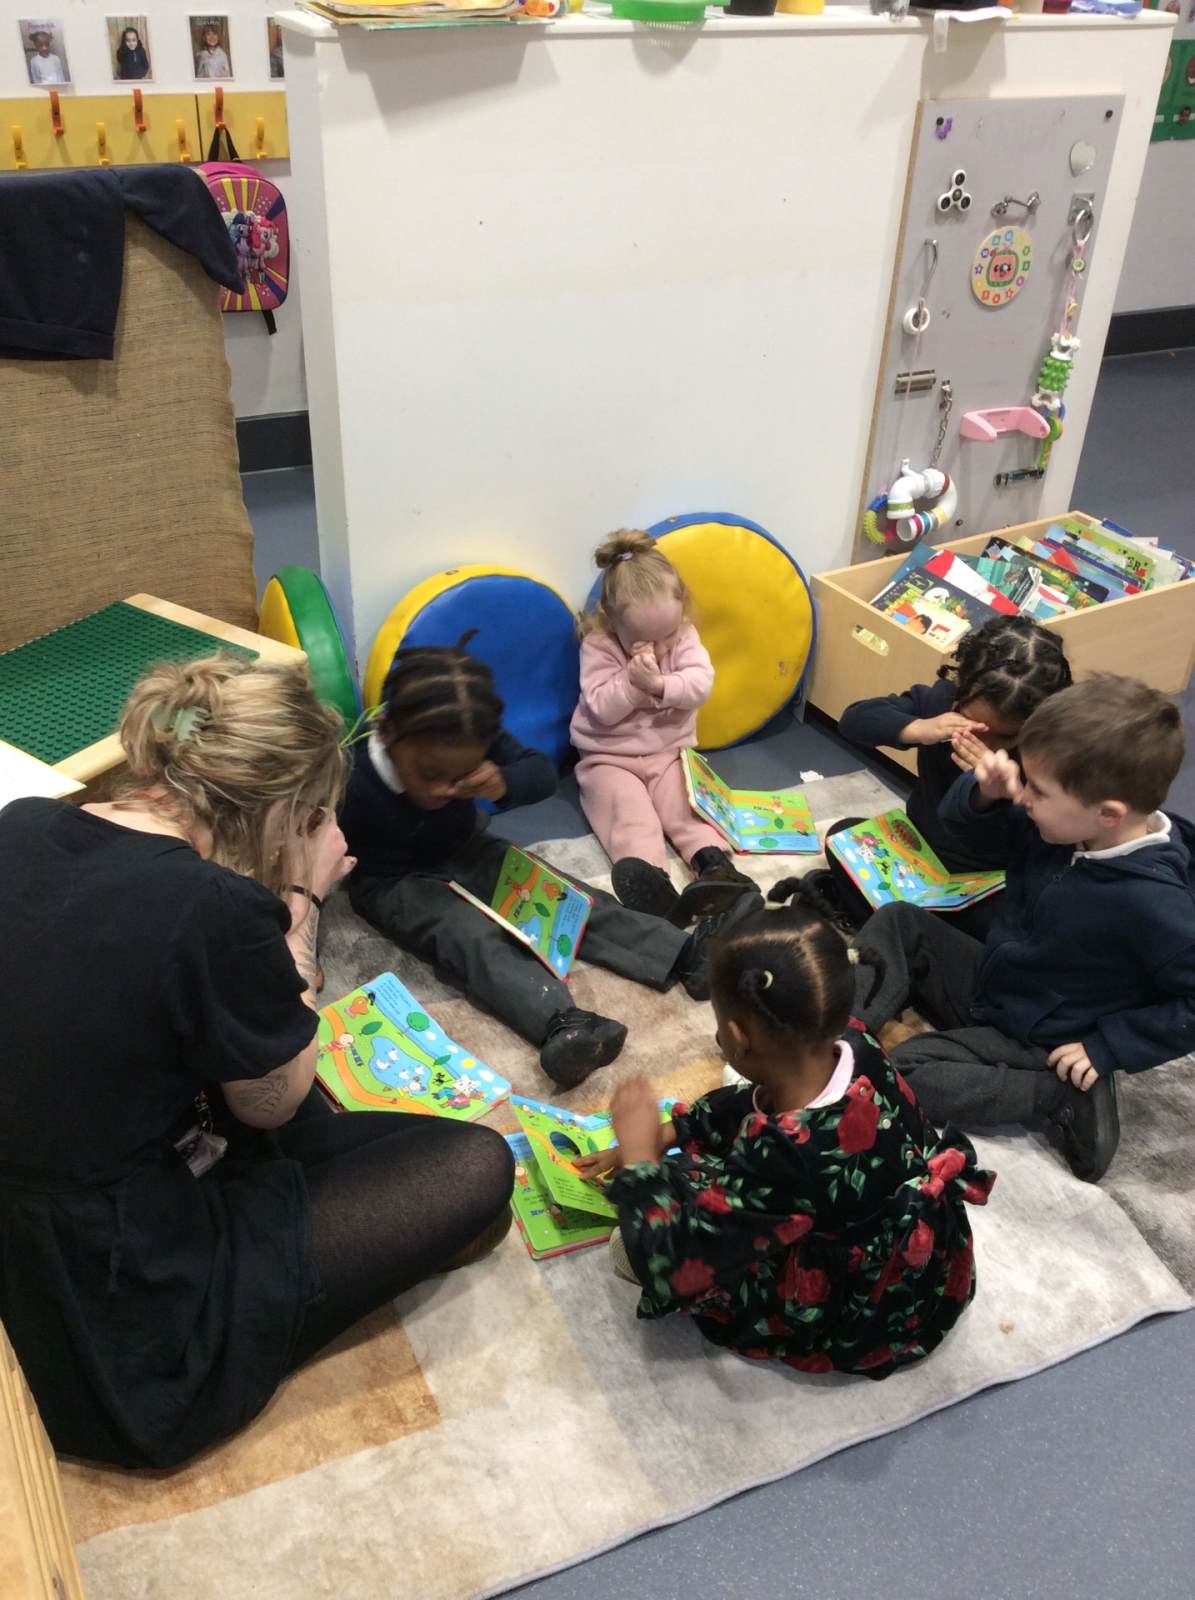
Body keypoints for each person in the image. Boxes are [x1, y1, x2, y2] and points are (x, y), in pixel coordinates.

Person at [0, 657, 514, 1470]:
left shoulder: (26, 820)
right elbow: (269, 1102)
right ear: (284, 811)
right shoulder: (217, 908)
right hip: (112, 1302)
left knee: (362, 1136)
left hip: (33, 1215)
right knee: (475, 1166)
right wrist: (301, 903)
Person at [577, 903, 992, 1376]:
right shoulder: (858, 1044)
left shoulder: (781, 1149)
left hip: (863, 1307)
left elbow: (675, 1266)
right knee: (705, 1157)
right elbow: (748, 1101)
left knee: (631, 1242)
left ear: (737, 1038)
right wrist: (674, 1130)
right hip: (929, 1266)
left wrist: (638, 1158)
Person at [342, 634, 759, 1087]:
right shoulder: (351, 778)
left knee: (562, 898)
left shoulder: (471, 731)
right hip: (393, 882)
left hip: (467, 848)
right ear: (387, 731)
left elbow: (539, 773)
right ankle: (563, 1023)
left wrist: (502, 781)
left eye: (460, 776)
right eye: (430, 775)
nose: (444, 790)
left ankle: (682, 954)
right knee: (470, 935)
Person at [851, 673, 1195, 1184]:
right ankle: (843, 1030)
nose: (1025, 796)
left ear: (1108, 814)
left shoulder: (1155, 902)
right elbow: (966, 834)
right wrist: (984, 794)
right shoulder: (1069, 826)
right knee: (901, 919)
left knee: (904, 1072)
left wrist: (1110, 1047)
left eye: (1038, 789)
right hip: (999, 979)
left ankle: (1056, 1095)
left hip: (1041, 1032)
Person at [813, 614, 1072, 933]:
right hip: (917, 849)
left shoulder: (1049, 751)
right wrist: (917, 728)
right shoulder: (940, 701)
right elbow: (854, 721)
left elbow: (1047, 843)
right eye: (970, 724)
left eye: (1004, 737)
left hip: (983, 879)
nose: (983, 742)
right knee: (843, 835)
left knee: (1008, 925)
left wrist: (1000, 793)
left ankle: (905, 931)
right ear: (958, 687)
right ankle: (904, 928)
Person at [571, 529, 754, 927]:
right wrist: (632, 684)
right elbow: (600, 707)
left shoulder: (684, 635)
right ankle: (653, 883)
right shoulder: (599, 645)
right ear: (611, 620)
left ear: (682, 605)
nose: (657, 647)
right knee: (629, 814)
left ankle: (714, 867)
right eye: (641, 640)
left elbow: (700, 685)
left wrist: (659, 685)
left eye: (666, 635)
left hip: (669, 752)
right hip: (608, 758)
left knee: (686, 807)